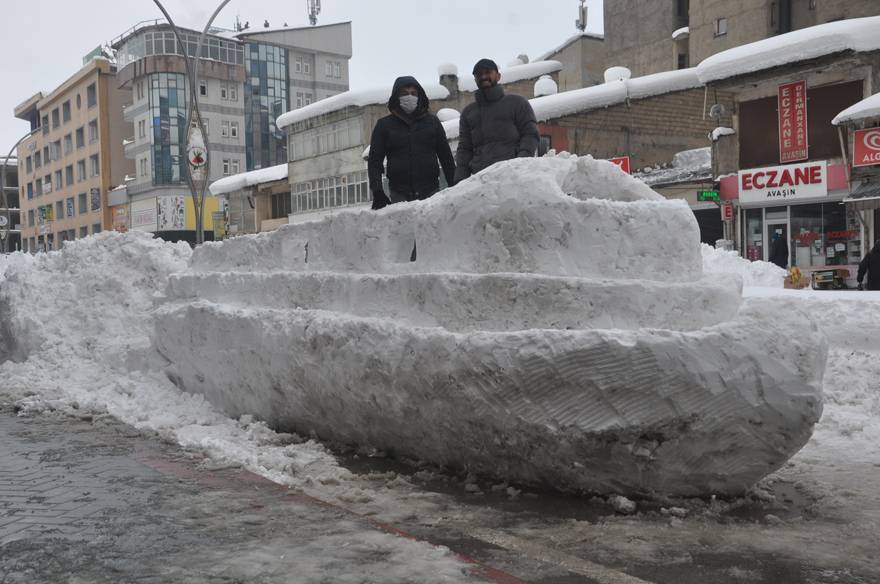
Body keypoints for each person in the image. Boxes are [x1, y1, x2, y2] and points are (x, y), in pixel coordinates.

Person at [368, 76, 455, 210]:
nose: (410, 97)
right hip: (399, 195)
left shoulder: (432, 123)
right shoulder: (384, 126)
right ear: (396, 97)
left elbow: (446, 158)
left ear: (420, 96)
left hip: (431, 192)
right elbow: (374, 161)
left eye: (413, 93)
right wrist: (377, 191)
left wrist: (454, 187)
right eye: (404, 93)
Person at [454, 58, 540, 184]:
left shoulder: (517, 103)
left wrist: (520, 164)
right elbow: (465, 149)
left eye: (488, 72)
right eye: (479, 74)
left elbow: (530, 134)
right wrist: (459, 181)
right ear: (475, 79)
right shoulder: (468, 113)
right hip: (480, 182)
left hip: (512, 178)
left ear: (498, 76)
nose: (483, 76)